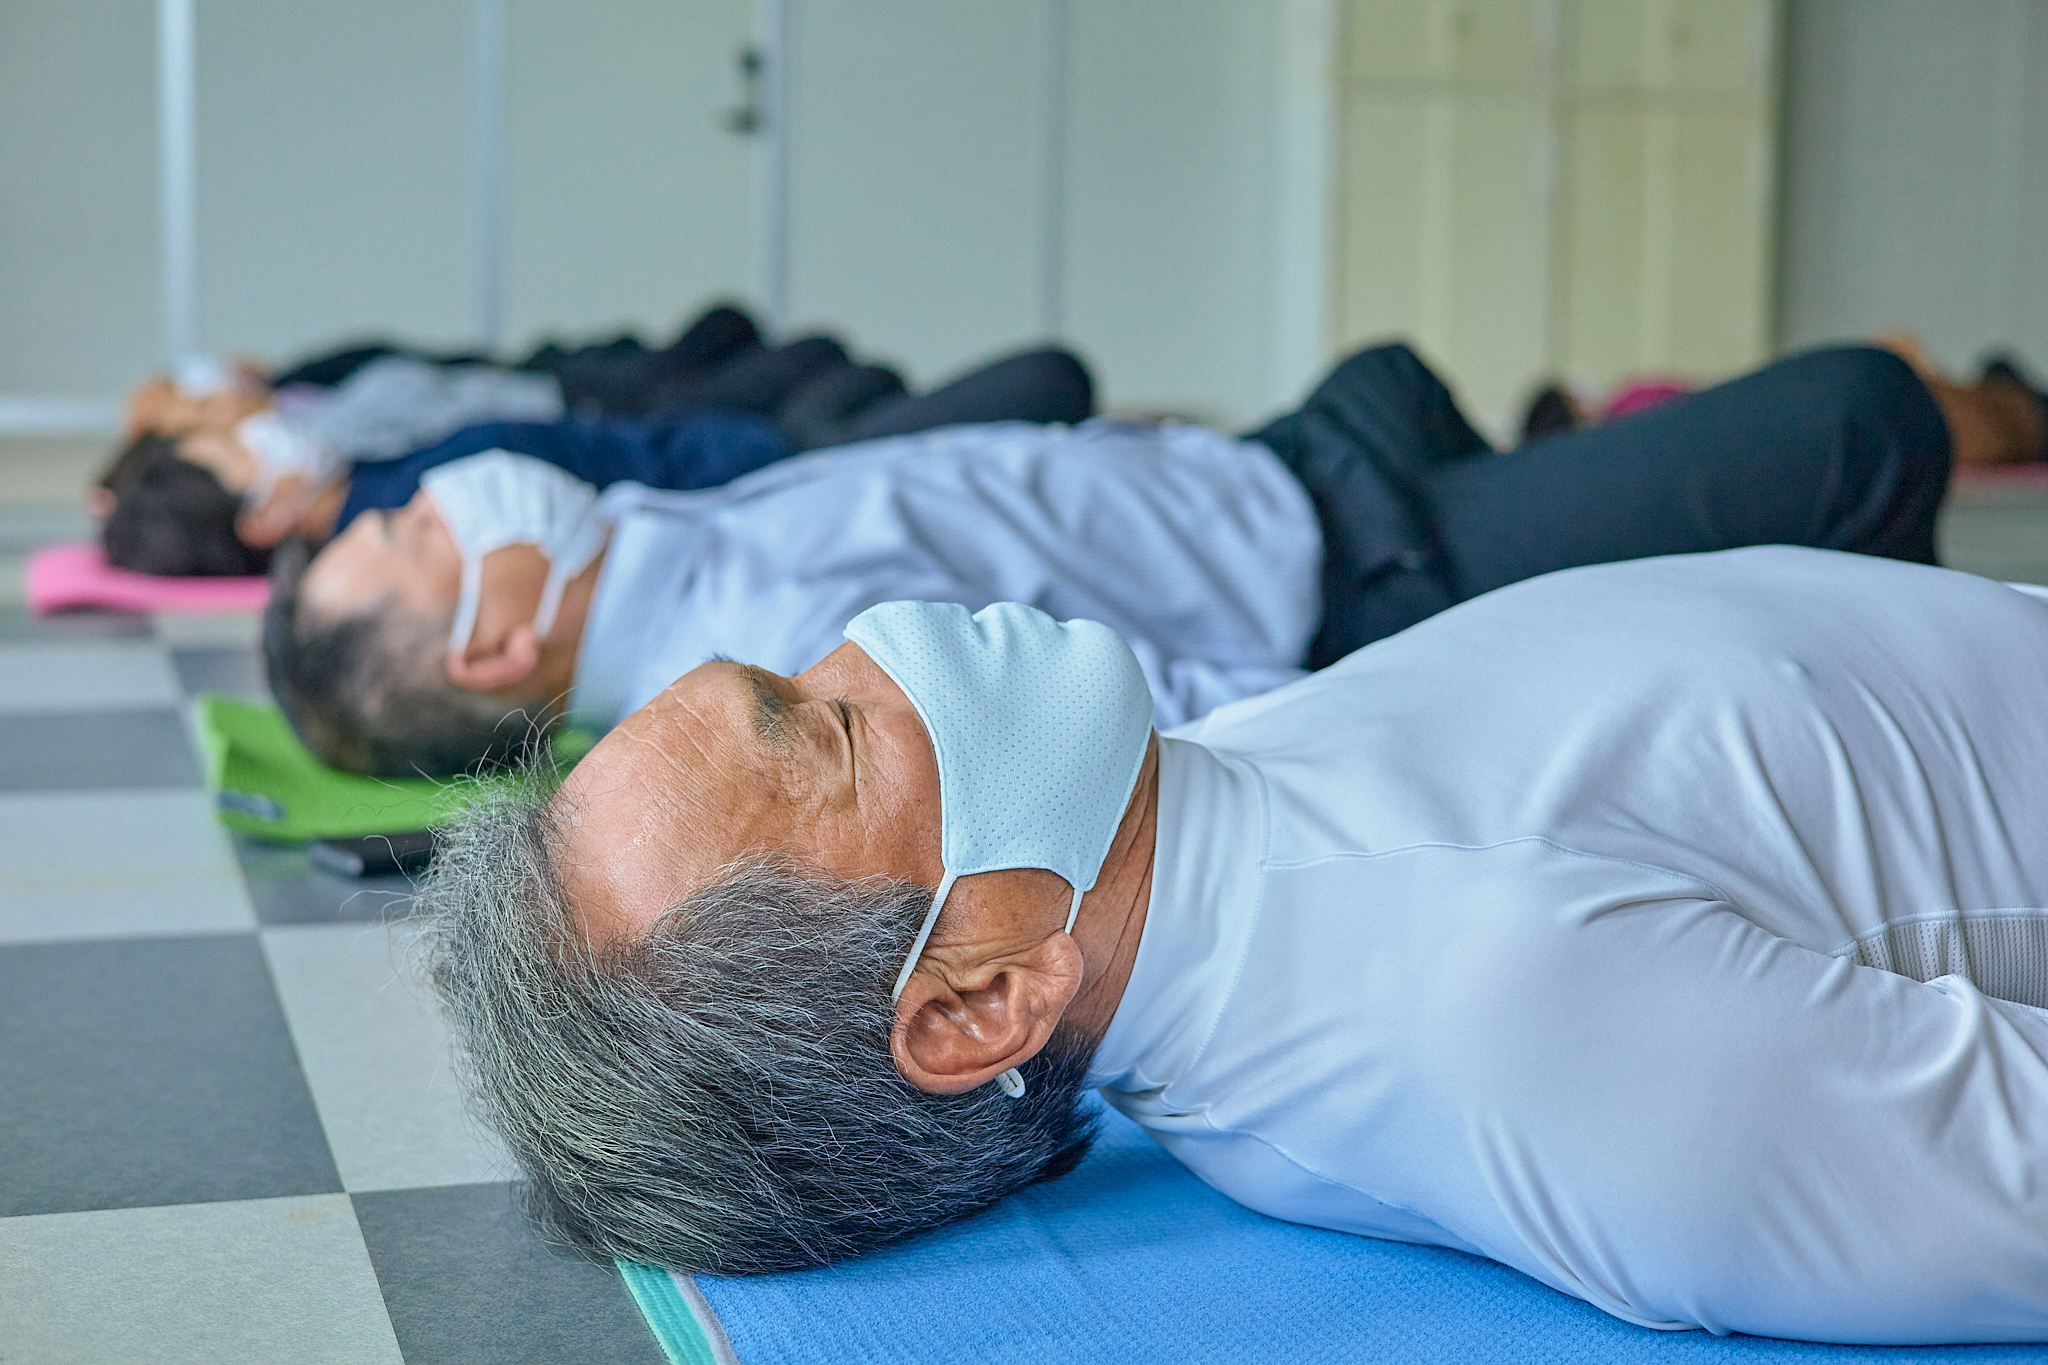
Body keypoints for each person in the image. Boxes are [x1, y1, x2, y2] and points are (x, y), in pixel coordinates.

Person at [421, 545, 2048, 1344]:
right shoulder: (1496, 1010)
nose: (877, 640)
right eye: (828, 722)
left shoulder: (1201, 806)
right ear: (979, 1000)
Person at [265, 337, 1955, 778]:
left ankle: (1636, 519)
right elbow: (1207, 708)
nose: (450, 495)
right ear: (489, 653)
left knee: (1393, 371)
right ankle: (1909, 699)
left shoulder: (641, 553)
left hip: (1275, 465)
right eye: (419, 538)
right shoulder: (782, 643)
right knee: (1862, 420)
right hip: (1363, 570)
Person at [98, 301, 1093, 576]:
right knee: (1049, 379)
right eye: (239, 451)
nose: (261, 429)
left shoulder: (369, 480)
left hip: (748, 445)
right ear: (264, 514)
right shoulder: (417, 513)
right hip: (790, 472)